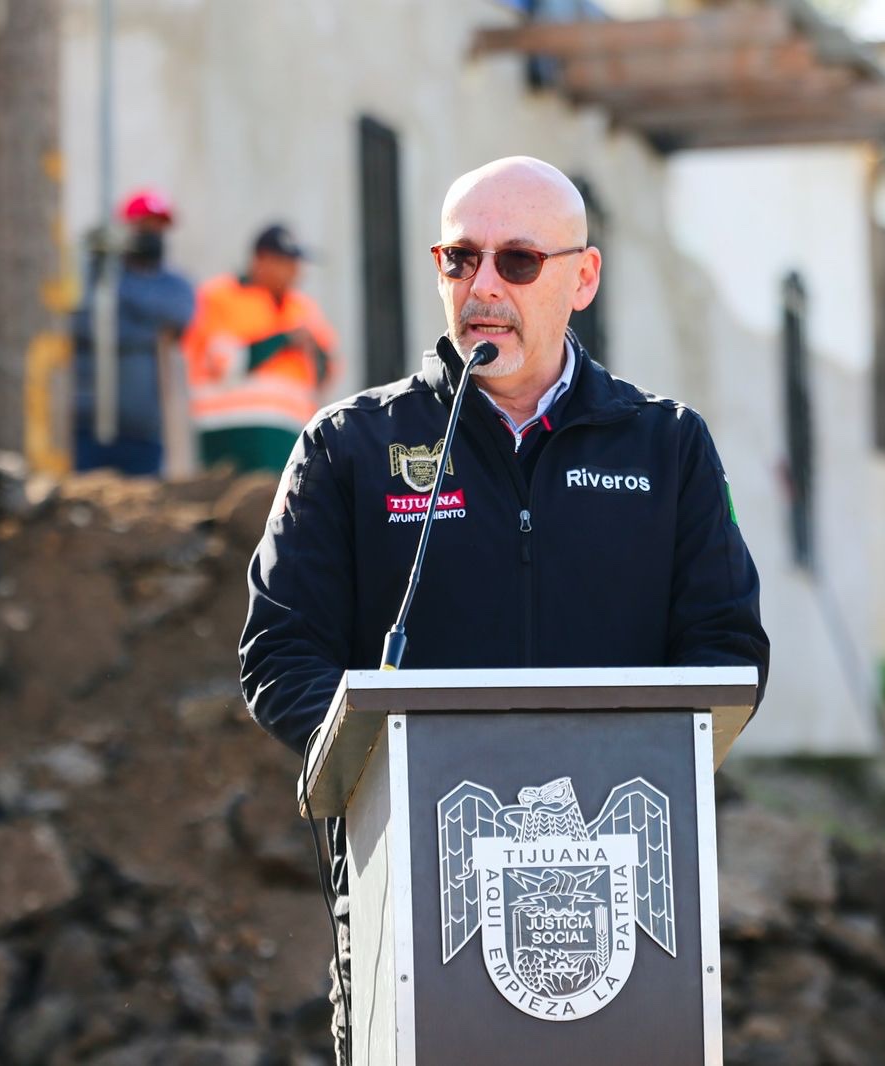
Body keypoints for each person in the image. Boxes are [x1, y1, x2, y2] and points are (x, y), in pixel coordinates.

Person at [238, 156, 770, 1063]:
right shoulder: (350, 448)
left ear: (582, 277)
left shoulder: (669, 447)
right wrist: (402, 754)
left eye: (518, 261)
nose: (483, 287)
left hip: (616, 914)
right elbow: (281, 656)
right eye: (460, 259)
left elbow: (727, 653)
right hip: (410, 905)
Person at [181, 224, 339, 474]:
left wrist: (316, 352)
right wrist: (284, 339)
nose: (294, 271)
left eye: (296, 263)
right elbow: (225, 363)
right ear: (261, 259)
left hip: (289, 434)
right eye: (285, 262)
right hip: (232, 432)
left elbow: (326, 373)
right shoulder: (221, 296)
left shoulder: (303, 308)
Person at [71, 187, 195, 476]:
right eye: (144, 227)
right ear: (126, 229)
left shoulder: (173, 284)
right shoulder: (92, 276)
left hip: (144, 430)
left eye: (158, 228)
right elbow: (82, 322)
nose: (152, 234)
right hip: (85, 424)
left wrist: (117, 288)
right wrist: (147, 331)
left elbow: (178, 312)